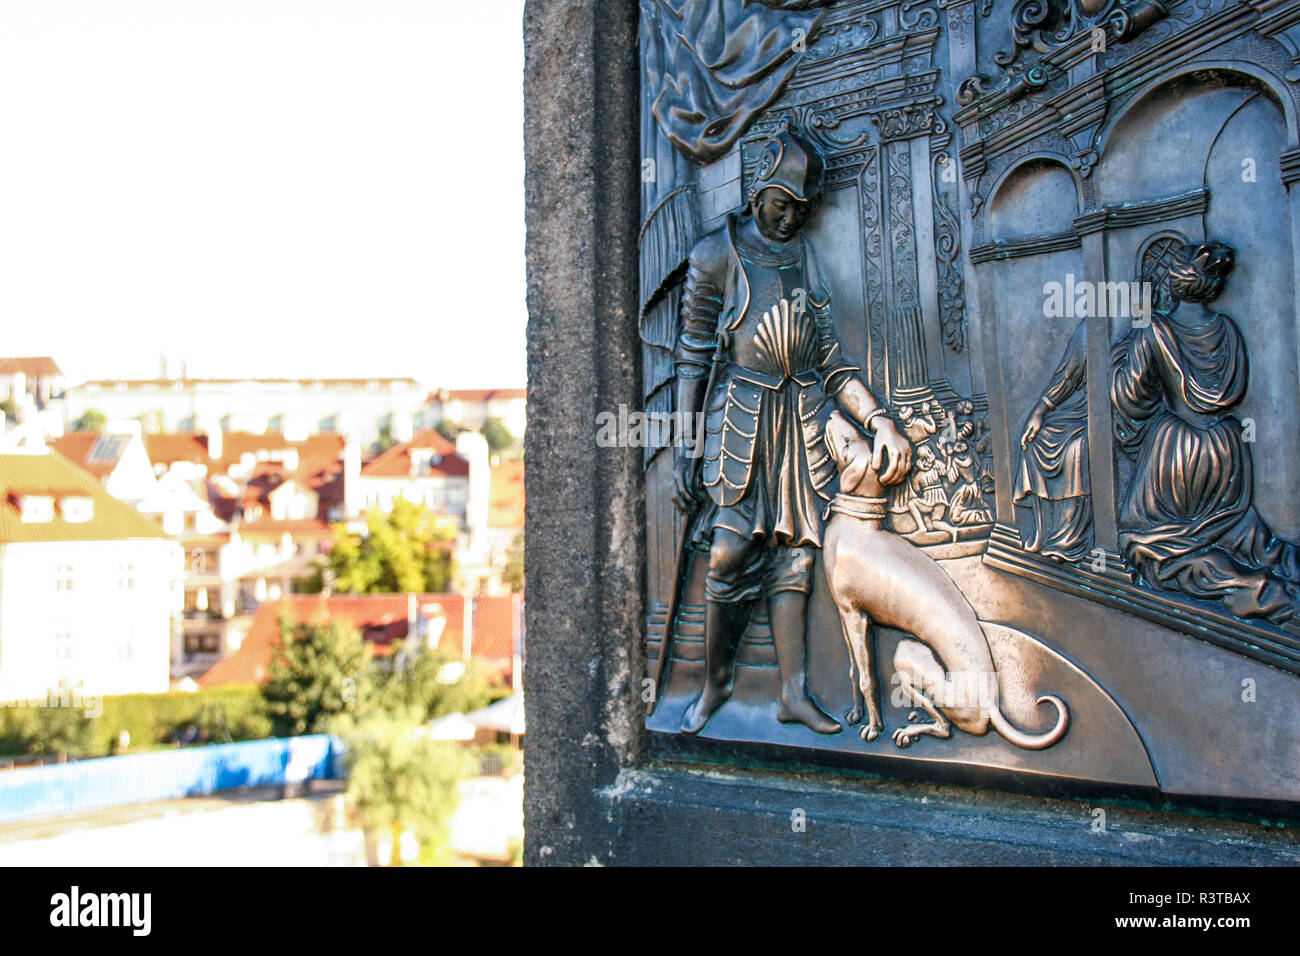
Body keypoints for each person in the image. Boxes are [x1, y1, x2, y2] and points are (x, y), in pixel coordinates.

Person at [671, 126, 911, 735]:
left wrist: (877, 418)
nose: (791, 218)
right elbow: (693, 353)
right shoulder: (714, 253)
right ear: (759, 193)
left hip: (798, 417)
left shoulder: (802, 254)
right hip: (739, 415)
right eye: (783, 205)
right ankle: (715, 683)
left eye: (802, 210)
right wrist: (684, 442)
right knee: (727, 554)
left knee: (795, 558)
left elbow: (828, 355)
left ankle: (793, 693)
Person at [1111, 241, 1300, 621]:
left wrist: (1121, 362)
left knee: (1151, 544)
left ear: (1175, 283)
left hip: (1178, 449)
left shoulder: (1155, 330)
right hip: (1228, 446)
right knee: (1229, 527)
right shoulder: (1227, 329)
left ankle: (1250, 587)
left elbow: (1130, 399)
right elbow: (1237, 386)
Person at [1016, 317, 1093, 561]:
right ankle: (1043, 530)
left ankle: (1068, 537)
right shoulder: (1092, 324)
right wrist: (1039, 411)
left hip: (1117, 408)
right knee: (1036, 442)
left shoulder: (1142, 321)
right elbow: (1069, 375)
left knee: (1077, 447)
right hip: (1082, 407)